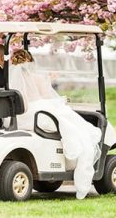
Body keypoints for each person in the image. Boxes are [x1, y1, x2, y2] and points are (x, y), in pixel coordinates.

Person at [8, 49, 102, 199]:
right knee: (73, 122)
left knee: (66, 118)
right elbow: (45, 97)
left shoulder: (9, 80)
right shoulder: (38, 78)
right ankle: (76, 158)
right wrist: (59, 99)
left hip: (21, 117)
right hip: (38, 113)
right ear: (31, 62)